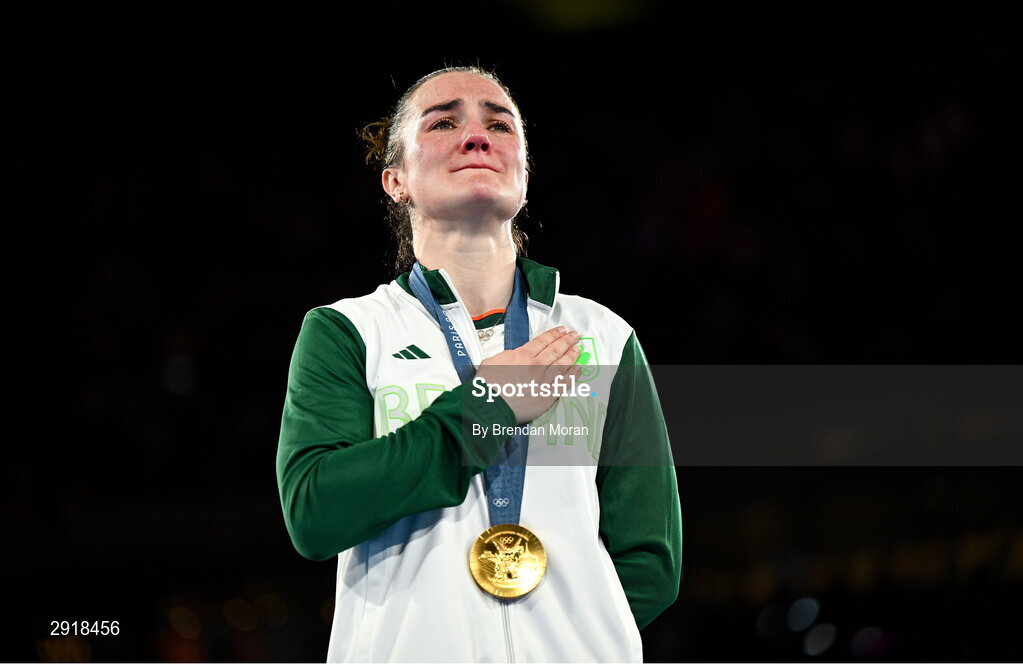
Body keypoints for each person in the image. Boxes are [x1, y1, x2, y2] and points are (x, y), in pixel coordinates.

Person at [276, 66, 682, 663]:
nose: (477, 135)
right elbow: (315, 511)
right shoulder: (349, 332)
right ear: (396, 180)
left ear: (523, 174)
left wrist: (565, 642)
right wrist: (483, 408)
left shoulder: (604, 337)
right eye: (444, 122)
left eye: (500, 124)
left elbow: (651, 558)